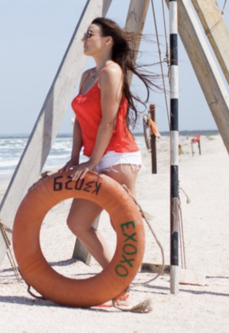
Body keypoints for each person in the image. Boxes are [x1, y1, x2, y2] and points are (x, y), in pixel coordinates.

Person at [63, 16, 157, 270]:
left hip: (117, 157)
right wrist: (75, 157)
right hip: (97, 157)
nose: (84, 39)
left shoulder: (112, 72)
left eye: (89, 34)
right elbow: (80, 121)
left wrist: (93, 162)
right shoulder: (86, 77)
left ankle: (121, 282)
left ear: (107, 41)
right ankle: (116, 280)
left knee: (121, 223)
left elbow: (108, 121)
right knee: (77, 223)